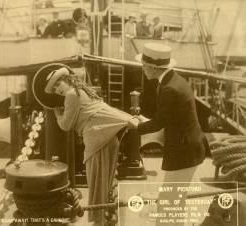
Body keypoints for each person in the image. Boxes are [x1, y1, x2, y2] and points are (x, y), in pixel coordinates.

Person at [128, 43, 211, 226]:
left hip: (184, 152)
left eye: (144, 65)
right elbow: (168, 117)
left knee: (168, 205)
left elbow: (159, 123)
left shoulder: (168, 89)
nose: (143, 69)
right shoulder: (175, 80)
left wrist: (137, 126)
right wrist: (145, 120)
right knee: (174, 203)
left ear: (155, 67)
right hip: (191, 147)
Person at [44, 67, 132, 226]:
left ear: (66, 79)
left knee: (97, 181)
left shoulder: (71, 95)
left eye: (58, 85)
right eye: (55, 89)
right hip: (109, 138)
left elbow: (66, 125)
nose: (58, 91)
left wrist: (58, 114)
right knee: (107, 180)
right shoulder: (83, 89)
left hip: (98, 139)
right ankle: (108, 215)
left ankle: (98, 222)